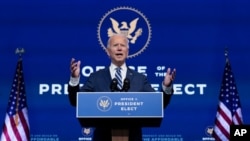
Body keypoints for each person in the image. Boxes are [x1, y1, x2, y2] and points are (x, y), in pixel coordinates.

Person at [68, 33, 176, 141]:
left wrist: (166, 86)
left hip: (133, 137)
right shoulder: (96, 77)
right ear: (108, 51)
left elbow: (158, 105)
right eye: (115, 45)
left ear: (127, 52)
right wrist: (74, 79)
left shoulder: (140, 79)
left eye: (122, 45)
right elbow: (75, 101)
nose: (119, 48)